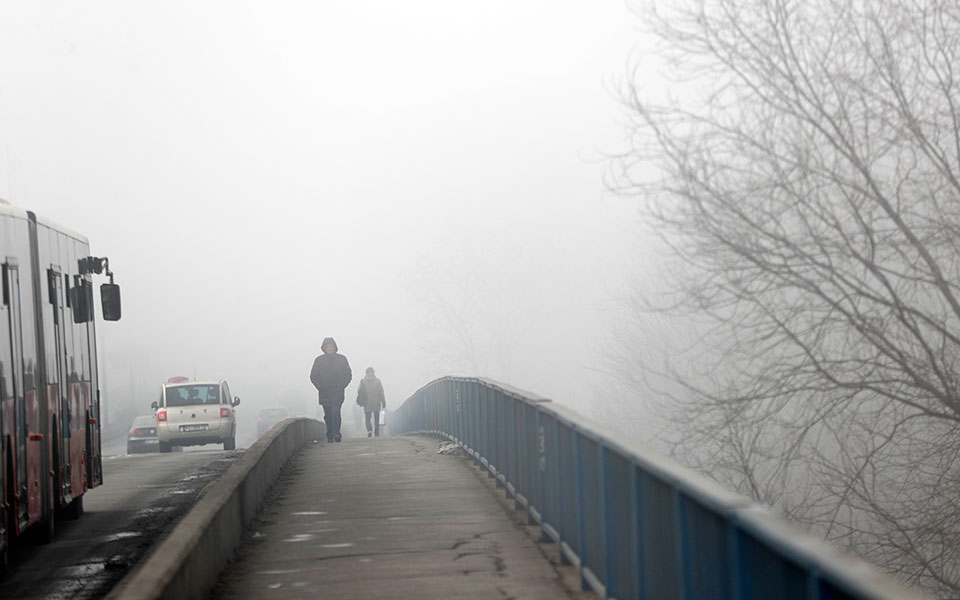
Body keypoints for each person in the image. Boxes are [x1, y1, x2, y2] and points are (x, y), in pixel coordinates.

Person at [310, 337, 352, 443]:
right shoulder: (319, 360)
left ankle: (337, 434)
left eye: (331, 346)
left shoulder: (342, 359)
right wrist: (320, 387)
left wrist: (342, 385)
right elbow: (313, 376)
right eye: (327, 347)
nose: (329, 349)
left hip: (337, 391)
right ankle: (329, 434)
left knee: (335, 412)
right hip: (325, 392)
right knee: (328, 415)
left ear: (335, 347)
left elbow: (348, 374)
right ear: (324, 348)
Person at [358, 367, 386, 437]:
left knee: (367, 418)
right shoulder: (377, 381)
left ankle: (369, 430)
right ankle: (376, 431)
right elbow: (381, 392)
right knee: (377, 418)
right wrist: (383, 401)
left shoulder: (363, 381)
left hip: (367, 403)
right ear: (374, 373)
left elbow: (359, 391)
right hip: (376, 402)